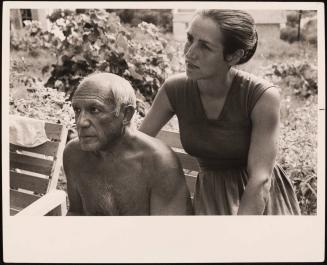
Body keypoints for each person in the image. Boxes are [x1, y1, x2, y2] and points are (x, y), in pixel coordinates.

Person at [139, 9, 301, 215]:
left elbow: (260, 179)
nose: (189, 53)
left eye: (205, 46)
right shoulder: (174, 90)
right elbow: (136, 145)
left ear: (233, 56)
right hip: (210, 199)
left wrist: (238, 233)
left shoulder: (261, 96)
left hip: (258, 203)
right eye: (190, 39)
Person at [63, 73, 193, 215]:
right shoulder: (74, 153)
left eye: (95, 110)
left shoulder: (159, 162)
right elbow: (76, 214)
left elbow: (169, 233)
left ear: (126, 115)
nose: (81, 122)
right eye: (77, 110)